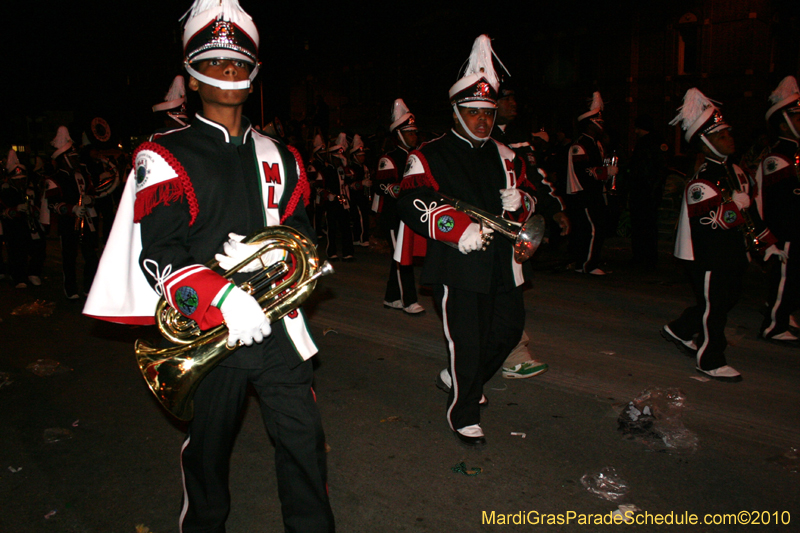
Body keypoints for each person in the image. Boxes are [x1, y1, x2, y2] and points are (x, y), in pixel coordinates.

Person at [83, 1, 335, 530]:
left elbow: (304, 236)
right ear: (193, 77)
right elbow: (160, 254)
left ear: (253, 72)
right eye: (215, 62)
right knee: (208, 459)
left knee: (305, 445)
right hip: (210, 333)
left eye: (239, 62)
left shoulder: (282, 154)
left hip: (279, 332)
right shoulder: (164, 153)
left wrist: (274, 255)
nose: (228, 71)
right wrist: (223, 297)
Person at [396, 35, 547, 448]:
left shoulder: (507, 154)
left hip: (504, 259)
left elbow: (535, 193)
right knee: (467, 339)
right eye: (473, 112)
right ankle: (463, 412)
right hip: (458, 260)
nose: (482, 120)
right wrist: (455, 227)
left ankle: (464, 378)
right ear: (456, 112)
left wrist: (523, 200)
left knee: (509, 329)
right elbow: (411, 199)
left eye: (488, 112)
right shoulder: (429, 154)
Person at [663, 88, 784, 382]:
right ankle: (710, 359)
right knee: (715, 309)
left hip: (733, 252)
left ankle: (680, 329)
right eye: (721, 136)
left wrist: (767, 244)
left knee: (724, 300)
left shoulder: (737, 172)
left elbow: (752, 214)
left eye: (728, 133)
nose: (729, 138)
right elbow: (709, 224)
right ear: (705, 144)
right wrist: (734, 209)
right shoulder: (702, 181)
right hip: (708, 256)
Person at [490, 81, 570, 379]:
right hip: (486, 226)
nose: (513, 104)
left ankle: (509, 352)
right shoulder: (479, 137)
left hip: (515, 224)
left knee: (510, 287)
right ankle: (507, 354)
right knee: (498, 290)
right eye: (506, 99)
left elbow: (535, 177)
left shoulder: (519, 137)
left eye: (514, 99)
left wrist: (554, 209)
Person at [753, 76, 800, 344]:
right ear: (784, 125)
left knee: (792, 280)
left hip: (793, 230)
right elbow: (782, 202)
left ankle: (782, 311)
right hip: (787, 232)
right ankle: (774, 325)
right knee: (785, 278)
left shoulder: (793, 154)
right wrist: (777, 237)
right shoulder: (778, 158)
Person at [376, 99, 425, 315]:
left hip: (410, 215)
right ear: (399, 135)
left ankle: (391, 297)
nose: (414, 136)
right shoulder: (389, 159)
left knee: (402, 257)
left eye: (415, 132)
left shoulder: (418, 156)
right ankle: (409, 300)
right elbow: (381, 185)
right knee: (402, 258)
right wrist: (400, 188)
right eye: (410, 133)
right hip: (394, 217)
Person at [566, 91, 618, 275]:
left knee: (591, 229)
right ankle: (588, 264)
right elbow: (583, 172)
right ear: (590, 124)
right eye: (598, 122)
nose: (601, 125)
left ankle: (583, 263)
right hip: (584, 194)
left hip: (595, 193)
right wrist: (605, 172)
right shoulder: (580, 145)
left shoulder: (596, 144)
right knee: (593, 229)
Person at [47, 126, 100, 299]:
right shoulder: (54, 179)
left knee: (91, 256)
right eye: (72, 156)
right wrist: (72, 208)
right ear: (64, 159)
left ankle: (89, 287)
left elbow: (92, 192)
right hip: (68, 223)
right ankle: (70, 289)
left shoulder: (83, 173)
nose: (76, 159)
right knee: (69, 257)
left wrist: (90, 199)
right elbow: (52, 204)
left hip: (87, 221)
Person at [627, 114, 668, 270]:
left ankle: (642, 256)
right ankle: (648, 257)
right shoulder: (656, 142)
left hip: (643, 191)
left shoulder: (646, 144)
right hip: (649, 191)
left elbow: (642, 169)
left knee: (641, 225)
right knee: (648, 225)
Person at [1, 150, 46, 288]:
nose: (20, 182)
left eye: (22, 179)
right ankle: (18, 277)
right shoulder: (5, 191)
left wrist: (34, 210)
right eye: (17, 180)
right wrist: (15, 209)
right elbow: (3, 211)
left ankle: (33, 273)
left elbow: (39, 205)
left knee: (39, 247)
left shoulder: (30, 190)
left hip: (31, 224)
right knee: (17, 251)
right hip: (14, 226)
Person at [324, 132, 354, 261]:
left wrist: (345, 165)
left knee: (346, 227)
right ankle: (331, 252)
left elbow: (349, 179)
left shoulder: (342, 169)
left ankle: (348, 252)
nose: (338, 160)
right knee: (332, 228)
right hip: (331, 201)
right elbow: (320, 186)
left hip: (342, 200)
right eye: (337, 158)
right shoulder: (327, 170)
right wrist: (327, 195)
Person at [347, 134, 372, 247]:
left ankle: (358, 237)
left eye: (363, 155)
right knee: (359, 217)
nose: (362, 158)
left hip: (363, 196)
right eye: (360, 156)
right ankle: (362, 238)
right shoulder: (351, 168)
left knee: (363, 217)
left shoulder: (364, 167)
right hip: (354, 197)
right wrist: (361, 183)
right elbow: (350, 184)